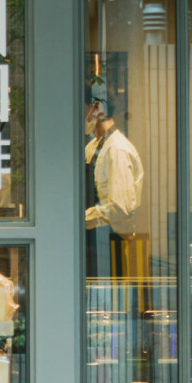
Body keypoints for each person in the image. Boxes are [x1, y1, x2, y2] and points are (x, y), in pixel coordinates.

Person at [85, 88, 145, 275]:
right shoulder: (93, 147)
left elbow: (120, 207)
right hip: (93, 238)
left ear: (96, 109)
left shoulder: (117, 149)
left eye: (82, 109)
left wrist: (82, 219)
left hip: (113, 241)